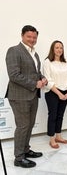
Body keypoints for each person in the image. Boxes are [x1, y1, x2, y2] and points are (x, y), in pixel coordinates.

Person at [5, 25, 47, 168]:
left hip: (32, 95)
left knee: (29, 125)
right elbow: (14, 75)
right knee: (23, 126)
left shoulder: (34, 54)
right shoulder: (14, 51)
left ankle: (26, 150)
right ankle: (19, 158)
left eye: (34, 37)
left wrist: (43, 78)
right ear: (22, 35)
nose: (32, 39)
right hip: (19, 96)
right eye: (29, 36)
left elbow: (35, 73)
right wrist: (35, 84)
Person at [43, 40, 67, 149]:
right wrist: (59, 94)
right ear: (52, 49)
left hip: (65, 92)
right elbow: (48, 80)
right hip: (53, 92)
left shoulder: (66, 63)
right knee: (53, 115)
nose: (59, 50)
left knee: (60, 115)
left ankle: (58, 136)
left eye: (61, 47)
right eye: (57, 47)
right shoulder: (47, 62)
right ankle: (52, 139)